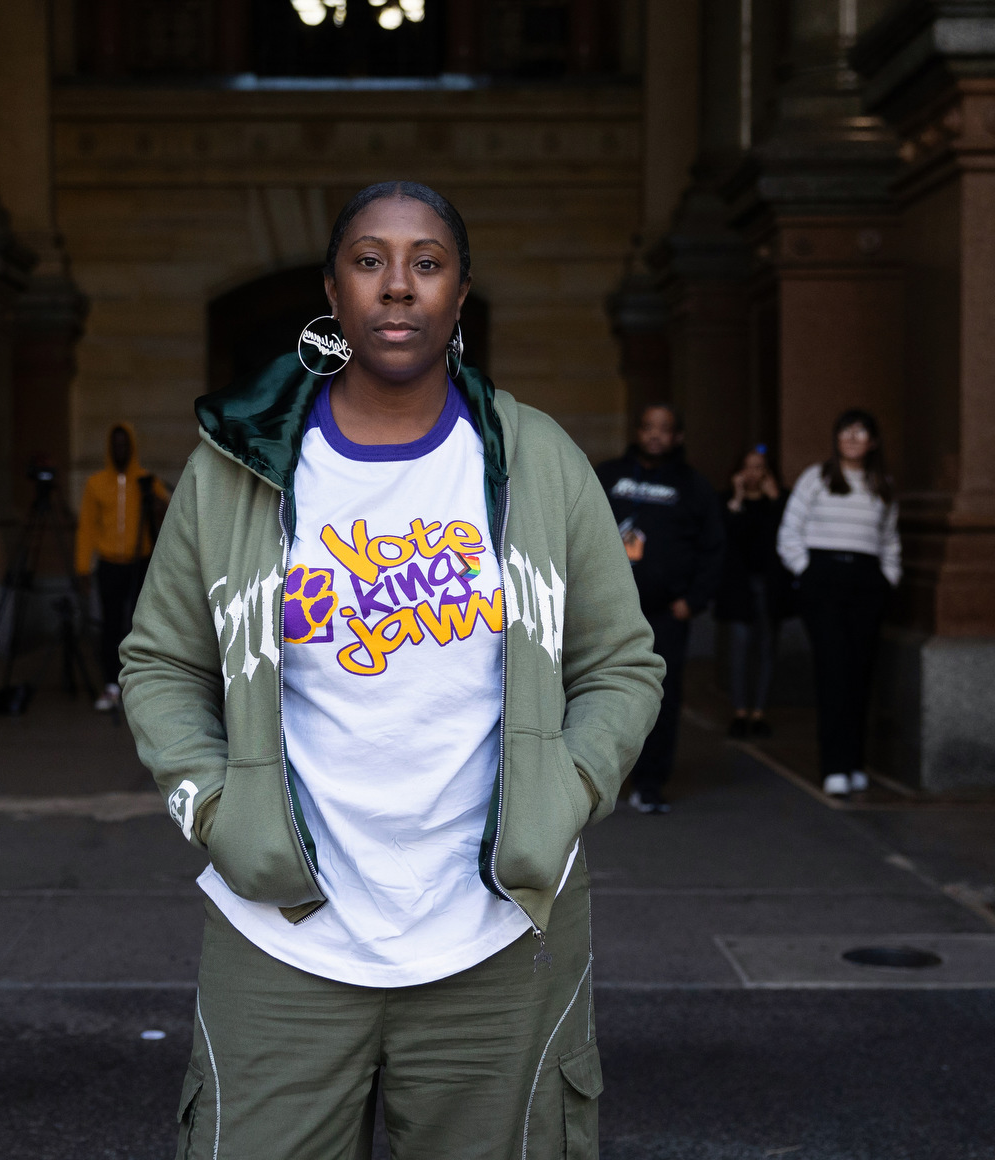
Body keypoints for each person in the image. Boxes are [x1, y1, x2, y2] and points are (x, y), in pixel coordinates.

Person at [119, 181, 663, 1159]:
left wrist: (568, 789)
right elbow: (160, 661)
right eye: (370, 262)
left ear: (460, 295)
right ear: (334, 292)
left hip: (500, 944)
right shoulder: (237, 470)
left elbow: (621, 664)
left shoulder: (537, 462)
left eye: (427, 263)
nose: (398, 287)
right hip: (280, 938)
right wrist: (211, 808)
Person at [595, 404, 724, 814]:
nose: (655, 435)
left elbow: (714, 547)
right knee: (599, 692)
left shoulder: (692, 486)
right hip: (607, 610)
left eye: (664, 429)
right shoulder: (608, 476)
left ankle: (651, 783)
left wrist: (694, 600)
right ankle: (597, 779)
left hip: (667, 613)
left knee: (661, 698)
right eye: (648, 427)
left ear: (677, 437)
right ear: (637, 431)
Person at [777, 409, 901, 796]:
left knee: (860, 673)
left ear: (873, 441)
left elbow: (890, 540)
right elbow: (789, 532)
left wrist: (887, 578)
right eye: (845, 431)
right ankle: (834, 765)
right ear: (836, 438)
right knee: (833, 670)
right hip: (824, 579)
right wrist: (807, 572)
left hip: (866, 582)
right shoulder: (816, 478)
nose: (852, 437)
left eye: (861, 431)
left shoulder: (883, 485)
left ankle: (854, 762)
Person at [74, 422, 169, 713]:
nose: (120, 450)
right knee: (111, 626)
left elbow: (170, 515)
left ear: (132, 447)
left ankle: (140, 687)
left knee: (139, 625)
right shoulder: (96, 483)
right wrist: (82, 568)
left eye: (124, 444)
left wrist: (155, 502)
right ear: (108, 448)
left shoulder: (146, 480)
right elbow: (87, 527)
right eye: (115, 445)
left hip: (139, 564)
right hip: (108, 565)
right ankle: (111, 686)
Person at [716, 445, 788, 739]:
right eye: (747, 466)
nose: (753, 473)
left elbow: (784, 537)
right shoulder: (728, 501)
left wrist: (776, 500)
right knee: (740, 649)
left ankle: (759, 713)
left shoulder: (780, 502)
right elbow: (726, 538)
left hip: (769, 586)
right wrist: (737, 499)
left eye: (759, 467)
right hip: (739, 588)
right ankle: (739, 712)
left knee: (766, 649)